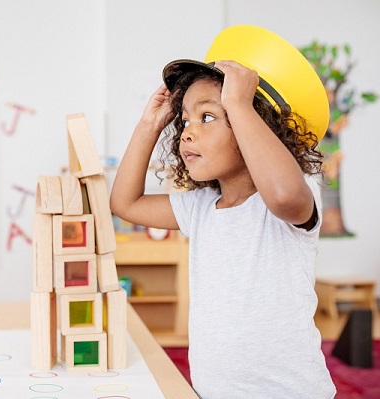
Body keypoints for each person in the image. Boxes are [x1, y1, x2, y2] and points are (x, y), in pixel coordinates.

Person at [110, 25, 336, 399]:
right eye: (184, 120)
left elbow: (282, 194)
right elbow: (125, 203)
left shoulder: (293, 194)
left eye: (209, 117)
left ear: (259, 124)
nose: (186, 132)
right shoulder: (200, 208)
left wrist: (238, 103)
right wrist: (150, 124)